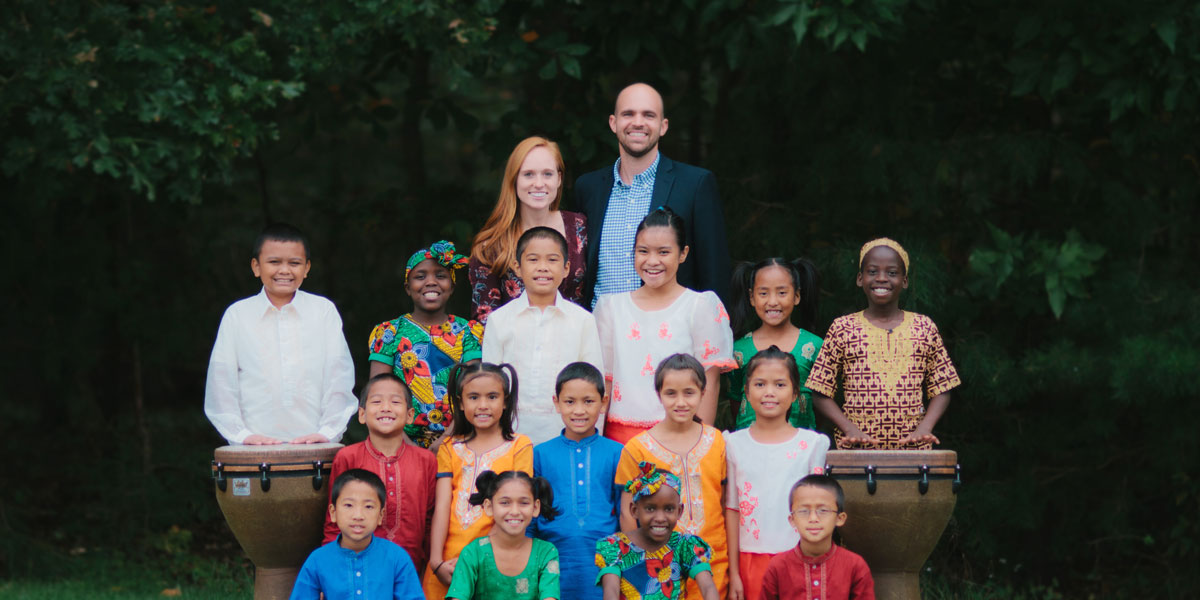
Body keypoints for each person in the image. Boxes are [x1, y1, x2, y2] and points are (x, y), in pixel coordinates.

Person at [574, 82, 730, 308]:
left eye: (648, 115)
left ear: (663, 126)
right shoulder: (588, 188)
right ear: (613, 123)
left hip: (670, 327)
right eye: (628, 114)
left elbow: (714, 276)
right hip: (600, 326)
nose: (638, 122)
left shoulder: (695, 185)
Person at [205, 222, 357, 445]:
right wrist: (242, 436)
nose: (284, 270)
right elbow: (221, 383)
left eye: (294, 263)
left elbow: (339, 378)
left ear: (306, 268)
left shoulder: (323, 311)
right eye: (274, 262)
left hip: (316, 444)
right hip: (251, 447)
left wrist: (327, 432)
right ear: (256, 267)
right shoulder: (237, 315)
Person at [594, 208, 735, 443]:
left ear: (683, 253)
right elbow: (603, 382)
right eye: (643, 251)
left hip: (681, 436)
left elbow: (709, 382)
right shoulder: (611, 308)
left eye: (663, 252)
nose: (652, 261)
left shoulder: (699, 306)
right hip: (619, 439)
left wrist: (700, 443)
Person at [806, 238, 961, 450]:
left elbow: (943, 387)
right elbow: (820, 391)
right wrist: (849, 429)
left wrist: (924, 428)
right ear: (860, 278)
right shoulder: (842, 328)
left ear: (904, 281)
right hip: (856, 451)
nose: (881, 278)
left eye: (892, 272)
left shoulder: (924, 327)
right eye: (872, 271)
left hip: (914, 451)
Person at [615, 354, 728, 600]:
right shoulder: (637, 449)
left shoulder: (716, 441)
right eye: (671, 393)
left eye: (689, 393)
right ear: (659, 394)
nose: (681, 402)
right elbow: (627, 513)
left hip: (713, 559)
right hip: (659, 566)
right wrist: (640, 564)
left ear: (703, 392)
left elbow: (723, 503)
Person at [723, 347, 831, 600]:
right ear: (746, 391)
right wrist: (734, 573)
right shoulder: (733, 444)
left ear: (795, 393)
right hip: (749, 558)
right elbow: (732, 508)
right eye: (760, 384)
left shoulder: (812, 445)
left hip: (799, 556)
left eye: (780, 384)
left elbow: (819, 509)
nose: (769, 392)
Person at [482, 227, 604, 445]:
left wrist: (591, 440)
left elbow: (594, 384)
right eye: (533, 259)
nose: (543, 267)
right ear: (517, 267)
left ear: (566, 268)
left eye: (552, 259)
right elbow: (489, 384)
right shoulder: (499, 320)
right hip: (510, 435)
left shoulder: (582, 321)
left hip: (566, 436)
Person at [425, 362, 534, 600]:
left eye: (492, 397)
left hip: (493, 562)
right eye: (473, 397)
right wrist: (436, 562)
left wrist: (472, 560)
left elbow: (515, 508)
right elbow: (442, 507)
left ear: (505, 401)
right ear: (461, 403)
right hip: (447, 564)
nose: (483, 405)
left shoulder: (519, 446)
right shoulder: (449, 447)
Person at [367, 240, 484, 449]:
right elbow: (377, 394)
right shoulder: (389, 333)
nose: (431, 282)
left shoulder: (469, 332)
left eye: (440, 276)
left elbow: (473, 391)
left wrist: (446, 440)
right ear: (407, 287)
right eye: (420, 276)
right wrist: (406, 445)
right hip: (397, 443)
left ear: (452, 286)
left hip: (458, 441)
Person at [322, 373, 437, 572]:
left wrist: (430, 571)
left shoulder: (425, 460)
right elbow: (334, 521)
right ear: (362, 414)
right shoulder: (348, 457)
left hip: (410, 571)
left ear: (410, 415)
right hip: (356, 569)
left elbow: (431, 521)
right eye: (376, 401)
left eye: (395, 401)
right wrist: (331, 570)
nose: (386, 407)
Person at [530, 362, 623, 600]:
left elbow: (625, 513)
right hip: (552, 560)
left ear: (604, 402)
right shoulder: (540, 454)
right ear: (556, 402)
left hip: (605, 561)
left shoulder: (617, 453)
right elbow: (530, 515)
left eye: (588, 401)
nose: (579, 410)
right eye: (570, 402)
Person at [470, 136, 588, 323]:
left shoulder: (580, 227)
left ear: (559, 178)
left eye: (547, 174)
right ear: (514, 179)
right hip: (515, 340)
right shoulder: (491, 245)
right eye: (528, 174)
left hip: (575, 338)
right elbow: (485, 321)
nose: (539, 183)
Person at [291, 469, 425, 600]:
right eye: (349, 505)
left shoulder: (396, 558)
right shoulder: (317, 560)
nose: (358, 515)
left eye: (368, 506)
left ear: (381, 515)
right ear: (333, 512)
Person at [595, 462, 719, 600]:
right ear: (634, 510)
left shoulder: (685, 546)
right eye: (650, 509)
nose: (660, 518)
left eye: (668, 509)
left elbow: (708, 587)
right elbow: (611, 591)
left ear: (679, 511)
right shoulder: (615, 548)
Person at [726, 257, 823, 431]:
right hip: (749, 443)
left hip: (801, 444)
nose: (772, 301)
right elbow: (735, 399)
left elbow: (822, 401)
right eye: (763, 293)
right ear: (752, 297)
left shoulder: (814, 346)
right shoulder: (738, 350)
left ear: (797, 296)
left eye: (782, 293)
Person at [447, 471, 562, 600]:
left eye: (524, 503)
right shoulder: (473, 552)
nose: (515, 511)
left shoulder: (546, 552)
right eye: (505, 503)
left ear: (535, 508)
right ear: (489, 507)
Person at [761, 475, 874, 600]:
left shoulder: (855, 566)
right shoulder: (778, 567)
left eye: (823, 511)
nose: (813, 518)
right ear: (792, 519)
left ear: (839, 518)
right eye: (803, 511)